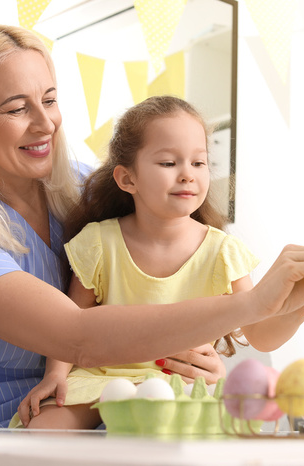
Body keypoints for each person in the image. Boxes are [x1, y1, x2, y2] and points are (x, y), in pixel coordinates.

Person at [0, 23, 304, 429]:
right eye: (16, 108)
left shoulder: (88, 189)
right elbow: (79, 338)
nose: (46, 124)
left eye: (50, 100)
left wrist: (202, 360)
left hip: (111, 410)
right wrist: (256, 303)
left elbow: (171, 278)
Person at [13, 95, 261, 429]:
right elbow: (71, 323)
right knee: (44, 430)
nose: (188, 174)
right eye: (169, 163)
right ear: (128, 179)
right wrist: (55, 375)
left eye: (199, 163)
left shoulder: (223, 252)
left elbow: (259, 328)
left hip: (176, 380)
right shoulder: (100, 242)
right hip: (100, 375)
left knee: (169, 424)